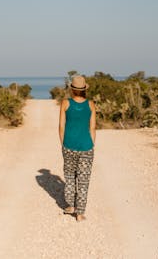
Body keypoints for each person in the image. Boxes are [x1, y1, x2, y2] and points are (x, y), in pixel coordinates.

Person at [58, 75, 96, 222]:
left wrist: (64, 144)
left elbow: (61, 126)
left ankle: (71, 206)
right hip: (87, 146)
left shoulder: (65, 103)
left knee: (69, 176)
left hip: (69, 145)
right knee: (84, 179)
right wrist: (91, 144)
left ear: (72, 89)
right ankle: (80, 213)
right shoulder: (91, 104)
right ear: (84, 89)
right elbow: (93, 127)